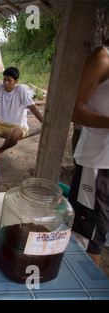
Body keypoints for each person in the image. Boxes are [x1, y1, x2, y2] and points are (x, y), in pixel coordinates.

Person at [68, 38, 109, 266]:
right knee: (89, 236)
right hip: (99, 163)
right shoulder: (101, 58)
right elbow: (75, 110)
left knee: (100, 230)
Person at [0, 67, 43, 163]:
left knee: (15, 134)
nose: (6, 83)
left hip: (18, 127)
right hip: (1, 124)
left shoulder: (20, 90)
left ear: (16, 81)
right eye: (4, 79)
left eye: (10, 80)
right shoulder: (0, 87)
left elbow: (32, 107)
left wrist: (44, 122)